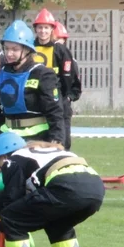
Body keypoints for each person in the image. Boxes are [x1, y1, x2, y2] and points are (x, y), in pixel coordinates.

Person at [0, 20, 64, 144]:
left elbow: (55, 112)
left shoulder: (43, 74)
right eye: (6, 48)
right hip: (7, 137)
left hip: (37, 139)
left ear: (27, 50)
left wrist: (57, 140)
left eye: (15, 49)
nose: (9, 53)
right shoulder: (1, 73)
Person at [32, 9, 75, 148]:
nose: (43, 31)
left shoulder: (60, 50)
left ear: (51, 29)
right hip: (35, 100)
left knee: (62, 139)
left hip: (58, 100)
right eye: (40, 27)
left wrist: (68, 96)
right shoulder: (30, 48)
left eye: (46, 28)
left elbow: (69, 75)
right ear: (35, 29)